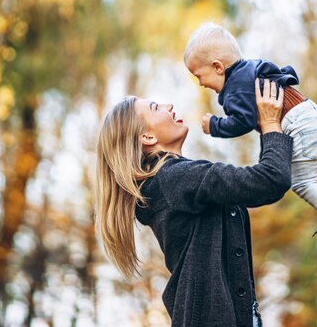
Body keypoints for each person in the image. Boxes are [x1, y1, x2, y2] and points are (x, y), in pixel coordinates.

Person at [183, 22, 317, 254]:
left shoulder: (235, 87)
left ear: (217, 67)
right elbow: (289, 73)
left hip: (300, 126)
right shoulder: (255, 68)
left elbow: (242, 121)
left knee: (301, 181)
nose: (201, 84)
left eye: (199, 76)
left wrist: (214, 125)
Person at [95, 78, 293, 327]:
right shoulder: (175, 178)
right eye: (156, 107)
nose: (167, 106)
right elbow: (271, 179)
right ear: (146, 136)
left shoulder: (173, 182)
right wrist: (271, 123)